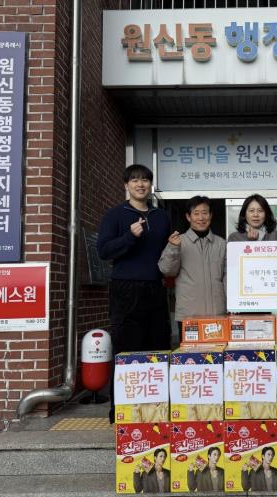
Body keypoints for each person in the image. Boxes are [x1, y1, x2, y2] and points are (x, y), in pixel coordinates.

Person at [97, 164, 171, 423]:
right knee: (126, 351)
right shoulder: (115, 215)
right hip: (125, 289)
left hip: (155, 288)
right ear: (126, 185)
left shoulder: (161, 217)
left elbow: (167, 254)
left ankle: (156, 410)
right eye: (135, 180)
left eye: (145, 180)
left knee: (157, 348)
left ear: (151, 185)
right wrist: (129, 236)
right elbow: (103, 251)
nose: (141, 184)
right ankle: (121, 412)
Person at [158, 196, 226, 332]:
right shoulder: (178, 241)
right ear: (188, 217)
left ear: (210, 215)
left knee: (217, 346)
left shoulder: (221, 244)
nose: (201, 218)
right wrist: (173, 248)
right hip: (188, 316)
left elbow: (227, 278)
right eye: (196, 213)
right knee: (189, 348)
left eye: (205, 213)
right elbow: (167, 270)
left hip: (218, 314)